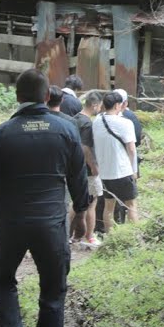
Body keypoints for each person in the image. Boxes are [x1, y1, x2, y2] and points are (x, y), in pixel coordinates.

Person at [0, 69, 89, 327]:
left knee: (2, 280)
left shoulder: (2, 133)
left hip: (10, 222)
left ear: (17, 96)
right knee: (53, 291)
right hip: (51, 223)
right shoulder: (66, 130)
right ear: (47, 96)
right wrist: (80, 213)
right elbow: (79, 177)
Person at [92, 92, 138, 231]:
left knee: (108, 207)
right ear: (118, 105)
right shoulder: (125, 123)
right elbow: (131, 149)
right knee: (131, 205)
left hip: (105, 172)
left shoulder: (97, 121)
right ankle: (134, 236)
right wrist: (134, 170)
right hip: (123, 170)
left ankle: (110, 236)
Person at [69, 92, 102, 249]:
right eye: (99, 106)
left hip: (73, 167)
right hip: (86, 169)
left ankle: (68, 234)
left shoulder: (73, 118)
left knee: (75, 202)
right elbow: (85, 147)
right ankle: (90, 236)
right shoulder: (87, 123)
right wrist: (93, 166)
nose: (99, 109)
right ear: (94, 105)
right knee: (92, 203)